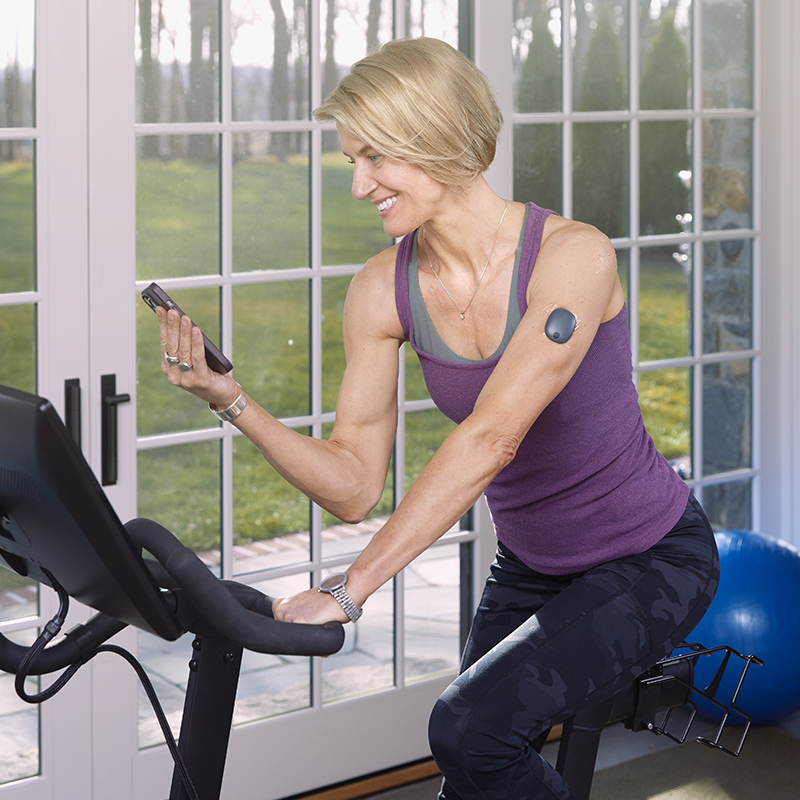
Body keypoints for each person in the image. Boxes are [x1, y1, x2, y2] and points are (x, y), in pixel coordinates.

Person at [157, 37, 719, 800]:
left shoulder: (572, 257)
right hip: (532, 565)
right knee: (472, 764)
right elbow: (354, 484)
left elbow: (493, 435)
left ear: (438, 138)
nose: (359, 185)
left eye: (375, 157)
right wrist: (233, 402)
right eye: (352, 159)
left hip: (651, 559)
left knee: (467, 729)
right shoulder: (381, 291)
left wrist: (349, 590)